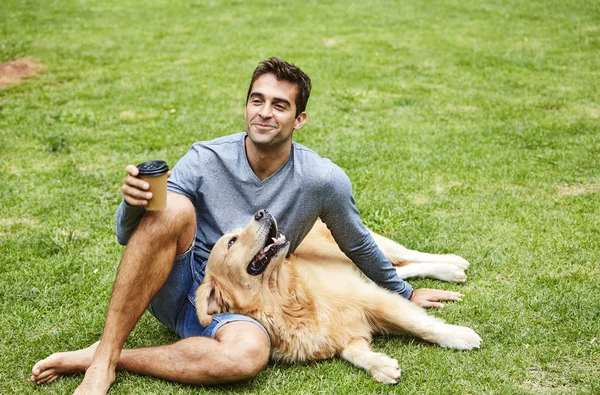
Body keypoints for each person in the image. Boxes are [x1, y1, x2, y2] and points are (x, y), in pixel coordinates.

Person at [30, 57, 463, 394]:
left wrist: (404, 292)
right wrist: (131, 205)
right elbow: (131, 237)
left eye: (280, 105)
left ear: (300, 119)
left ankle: (114, 356)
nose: (265, 113)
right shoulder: (205, 159)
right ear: (246, 105)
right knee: (175, 209)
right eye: (257, 100)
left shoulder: (320, 180)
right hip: (179, 283)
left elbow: (357, 243)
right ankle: (103, 360)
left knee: (247, 357)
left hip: (246, 305)